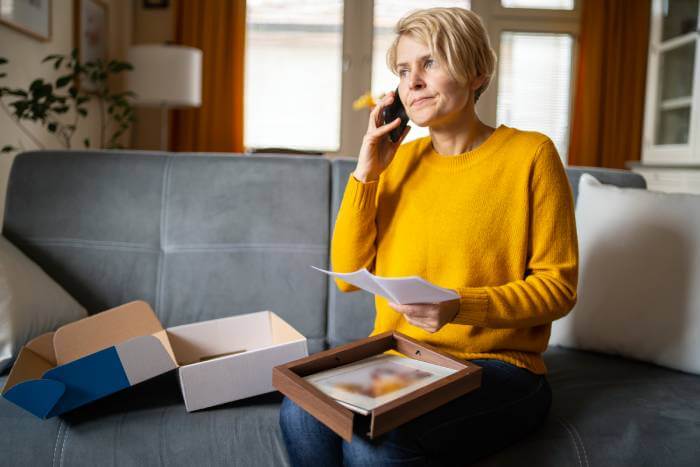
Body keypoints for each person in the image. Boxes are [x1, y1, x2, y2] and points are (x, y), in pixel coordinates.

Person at [280, 6, 578, 466]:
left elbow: (558, 289)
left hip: (499, 368)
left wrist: (461, 304)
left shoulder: (531, 155)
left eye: (430, 63)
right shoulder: (396, 161)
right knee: (300, 413)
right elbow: (345, 275)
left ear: (477, 71)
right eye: (403, 70)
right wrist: (366, 172)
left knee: (373, 444)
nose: (412, 81)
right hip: (403, 358)